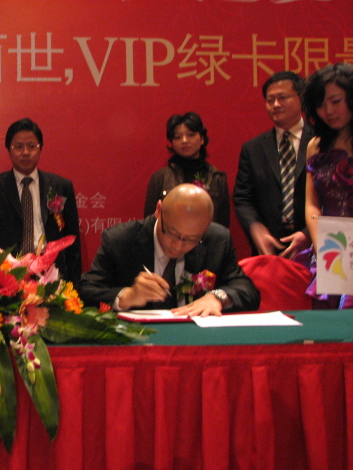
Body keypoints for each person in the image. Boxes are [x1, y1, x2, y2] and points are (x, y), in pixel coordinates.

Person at [78, 184, 260, 316]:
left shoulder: (217, 240)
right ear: (159, 210)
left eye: (192, 239)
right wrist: (127, 296)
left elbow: (248, 291)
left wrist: (218, 297)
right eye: (171, 233)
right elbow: (86, 291)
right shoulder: (120, 240)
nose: (178, 246)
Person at [0, 118, 82, 284]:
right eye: (18, 147)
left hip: (51, 273)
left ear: (40, 148)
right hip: (7, 273)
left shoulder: (61, 186)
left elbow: (72, 239)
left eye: (31, 146)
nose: (25, 152)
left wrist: (74, 284)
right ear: (8, 149)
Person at [234, 71, 313, 258]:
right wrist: (255, 227)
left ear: (301, 98)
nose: (275, 105)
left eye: (282, 98)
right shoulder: (253, 148)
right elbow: (242, 197)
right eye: (270, 100)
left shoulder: (320, 141)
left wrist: (308, 234)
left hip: (314, 245)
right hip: (269, 247)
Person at [302, 62, 353, 309]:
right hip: (332, 246)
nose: (329, 111)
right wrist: (322, 243)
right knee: (331, 320)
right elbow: (312, 204)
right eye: (321, 105)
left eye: (336, 101)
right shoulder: (316, 145)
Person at [144, 112, 230, 227]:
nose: (184, 140)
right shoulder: (160, 177)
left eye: (191, 135)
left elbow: (222, 227)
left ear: (202, 139)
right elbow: (150, 223)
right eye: (178, 137)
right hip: (169, 237)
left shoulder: (217, 177)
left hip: (207, 237)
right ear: (172, 142)